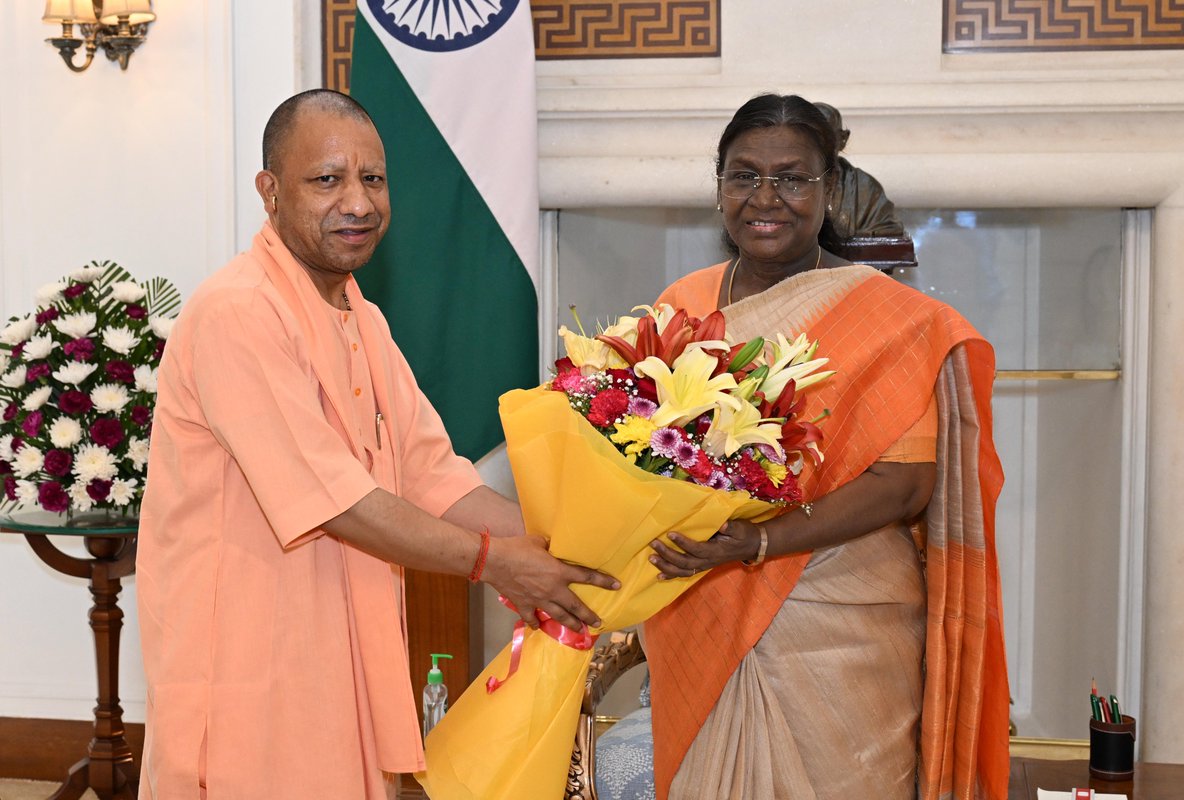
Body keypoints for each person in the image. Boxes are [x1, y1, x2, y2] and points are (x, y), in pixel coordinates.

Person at [136, 89, 618, 799]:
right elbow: (338, 501)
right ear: (270, 191)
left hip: (341, 647)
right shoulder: (237, 313)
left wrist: (569, 550)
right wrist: (497, 564)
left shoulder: (361, 316)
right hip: (249, 657)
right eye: (327, 180)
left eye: (373, 179)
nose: (358, 203)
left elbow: (432, 474)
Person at [639, 94, 1009, 799]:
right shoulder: (682, 303)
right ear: (719, 186)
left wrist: (760, 542)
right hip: (704, 606)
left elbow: (906, 483)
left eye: (792, 178)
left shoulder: (893, 318)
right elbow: (641, 447)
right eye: (743, 176)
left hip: (846, 619)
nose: (764, 198)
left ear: (830, 188)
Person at [813, 101, 907, 241]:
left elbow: (888, 232)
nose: (818, 145)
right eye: (810, 137)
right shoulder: (784, 184)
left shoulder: (866, 188)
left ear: (843, 139)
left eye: (827, 137)